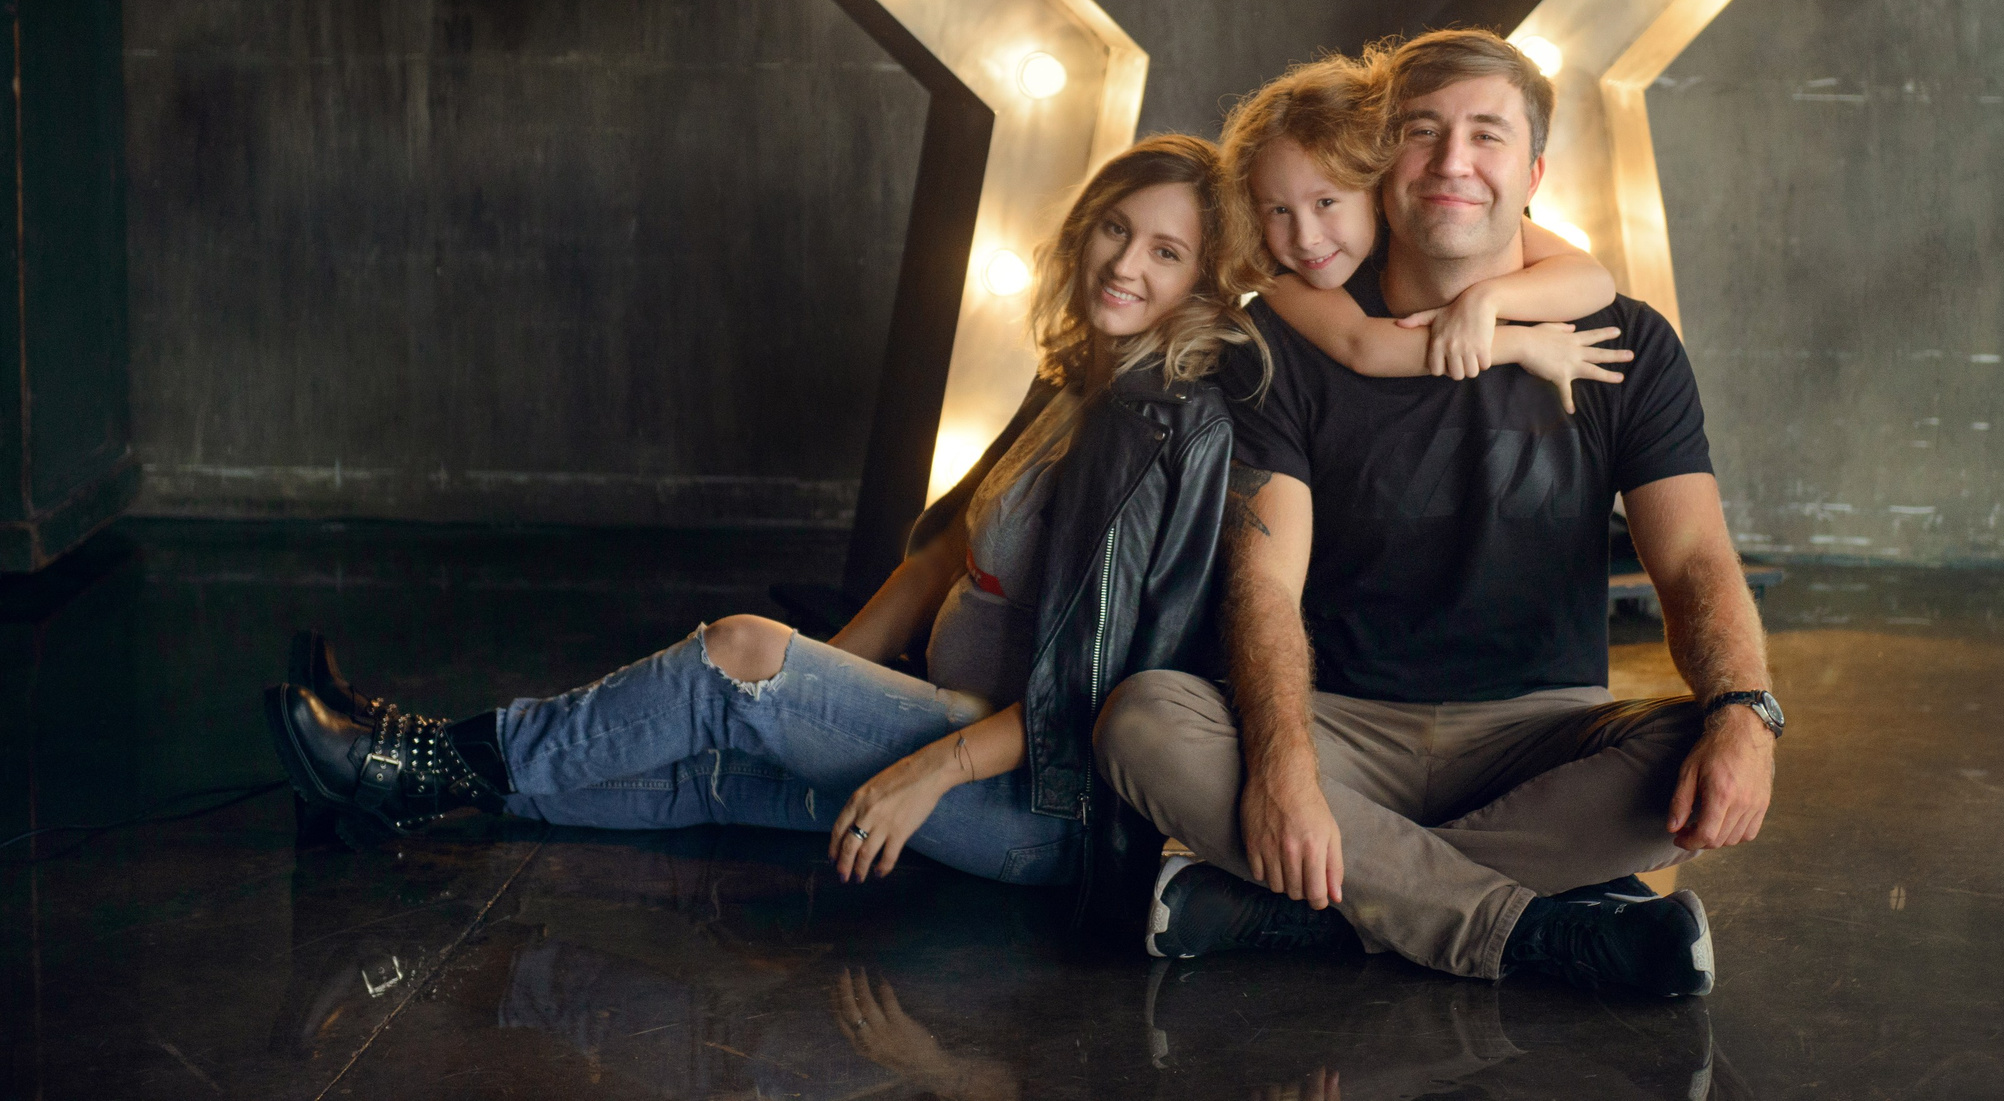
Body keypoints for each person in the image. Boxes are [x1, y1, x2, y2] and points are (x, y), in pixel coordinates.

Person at [266, 134, 1264, 919]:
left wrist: (910, 758)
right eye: (1115, 227)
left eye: (1166, 251)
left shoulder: (1159, 424)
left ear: (1201, 284)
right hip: (950, 719)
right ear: (1083, 225)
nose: (1127, 262)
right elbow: (936, 564)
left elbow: (1089, 687)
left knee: (737, 654)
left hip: (1030, 801)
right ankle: (403, 771)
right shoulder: (1082, 372)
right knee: (707, 760)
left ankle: (413, 757)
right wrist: (821, 682)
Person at [1094, 30, 1783, 997]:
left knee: (1696, 754)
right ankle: (1533, 930)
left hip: (1538, 737)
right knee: (1143, 719)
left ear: (1533, 169)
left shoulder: (1624, 340)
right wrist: (1287, 767)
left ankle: (1317, 903)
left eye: (1488, 136)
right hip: (1340, 727)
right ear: (1380, 164)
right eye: (1424, 131)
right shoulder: (1283, 337)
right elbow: (1263, 580)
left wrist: (1747, 713)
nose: (1455, 161)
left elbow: (1696, 558)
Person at [1221, 48, 1633, 408]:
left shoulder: (1421, 215)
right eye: (1277, 210)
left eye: (1326, 203)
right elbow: (1362, 346)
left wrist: (1485, 300)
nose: (1306, 237)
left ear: (1373, 181)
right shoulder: (1279, 276)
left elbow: (1594, 279)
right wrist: (1523, 344)